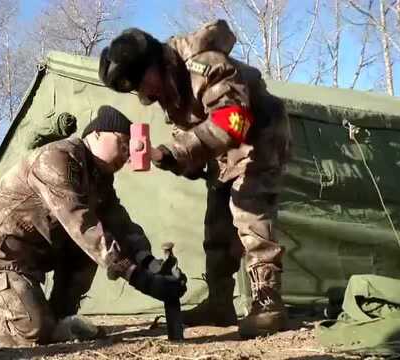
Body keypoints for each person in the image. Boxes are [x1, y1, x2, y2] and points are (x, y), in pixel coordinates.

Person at [99, 20, 291, 338]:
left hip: (260, 137)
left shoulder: (204, 64)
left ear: (154, 62)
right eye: (133, 88)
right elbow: (193, 144)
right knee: (216, 225)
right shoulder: (168, 90)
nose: (142, 93)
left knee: (249, 212)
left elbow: (234, 121)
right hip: (224, 150)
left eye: (138, 82)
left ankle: (268, 304)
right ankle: (219, 304)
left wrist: (177, 150)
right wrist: (170, 160)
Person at [0, 105, 186, 347]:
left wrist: (150, 263)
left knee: (85, 259)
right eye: (123, 144)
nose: (127, 155)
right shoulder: (58, 158)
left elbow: (120, 223)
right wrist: (137, 276)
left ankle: (59, 314)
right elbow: (81, 223)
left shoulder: (99, 177)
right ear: (97, 134)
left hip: (34, 254)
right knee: (29, 331)